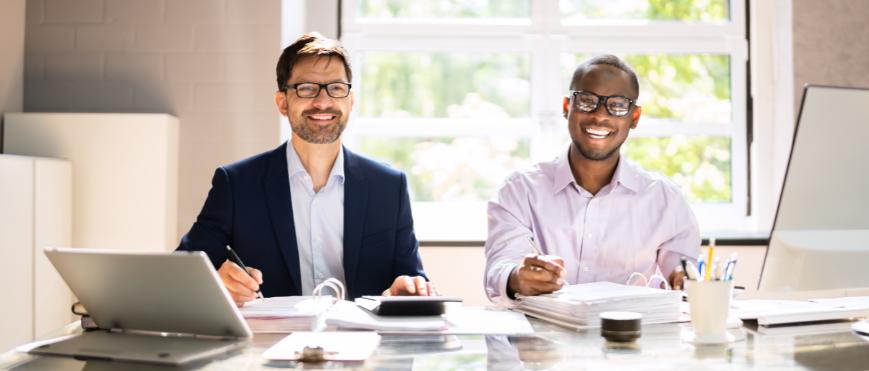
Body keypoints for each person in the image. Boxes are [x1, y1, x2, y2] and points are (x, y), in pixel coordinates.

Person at [178, 33, 434, 306]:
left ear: (351, 101)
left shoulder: (388, 186)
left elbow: (411, 278)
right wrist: (218, 283)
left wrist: (406, 289)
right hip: (272, 344)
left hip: (363, 342)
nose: (323, 102)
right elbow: (179, 273)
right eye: (306, 88)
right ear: (282, 103)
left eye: (336, 88)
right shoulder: (237, 184)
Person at [484, 55, 700, 306]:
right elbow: (499, 267)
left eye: (618, 105)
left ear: (635, 117)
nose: (599, 116)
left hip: (631, 338)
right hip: (542, 340)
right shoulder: (520, 190)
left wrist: (685, 280)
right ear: (567, 107)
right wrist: (516, 277)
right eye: (587, 101)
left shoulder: (665, 199)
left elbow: (684, 274)